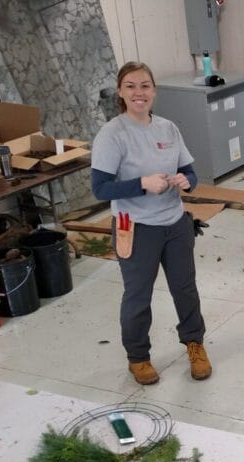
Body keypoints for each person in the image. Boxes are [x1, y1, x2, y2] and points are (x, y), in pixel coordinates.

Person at [91, 61, 210, 386]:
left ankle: (195, 344)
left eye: (144, 85)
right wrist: (141, 183)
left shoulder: (168, 129)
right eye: (130, 86)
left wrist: (187, 181)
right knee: (138, 296)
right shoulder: (112, 134)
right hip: (135, 226)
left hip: (175, 224)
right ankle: (138, 357)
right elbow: (100, 188)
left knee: (185, 289)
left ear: (154, 91)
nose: (138, 93)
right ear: (120, 92)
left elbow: (191, 172)